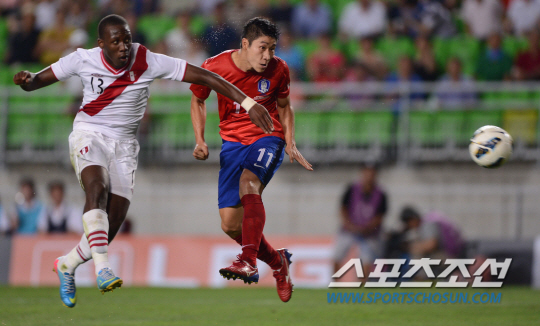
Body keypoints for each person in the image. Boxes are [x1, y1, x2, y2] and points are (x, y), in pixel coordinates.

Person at [13, 14, 274, 308]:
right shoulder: (82, 59)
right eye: (116, 42)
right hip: (90, 134)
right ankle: (103, 270)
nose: (124, 46)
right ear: (101, 45)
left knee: (109, 227)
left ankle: (67, 263)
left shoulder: (147, 60)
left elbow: (205, 76)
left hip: (125, 148)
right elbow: (37, 81)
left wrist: (248, 103)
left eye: (126, 39)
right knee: (95, 189)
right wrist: (26, 80)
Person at [189, 17, 313, 302]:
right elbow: (197, 99)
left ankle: (248, 261)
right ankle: (278, 262)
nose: (267, 56)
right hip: (232, 145)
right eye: (262, 48)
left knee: (249, 183)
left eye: (272, 48)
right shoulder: (215, 66)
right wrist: (199, 139)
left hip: (268, 137)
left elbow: (284, 107)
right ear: (245, 44)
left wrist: (290, 142)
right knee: (231, 225)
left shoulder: (279, 69)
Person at [333, 164, 387, 277]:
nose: (369, 176)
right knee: (337, 255)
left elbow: (380, 216)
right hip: (349, 229)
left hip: (369, 233)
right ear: (362, 173)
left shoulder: (380, 194)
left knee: (366, 260)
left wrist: (368, 228)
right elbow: (343, 209)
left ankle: (362, 286)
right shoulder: (352, 189)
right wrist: (349, 225)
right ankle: (335, 283)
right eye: (367, 172)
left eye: (372, 173)